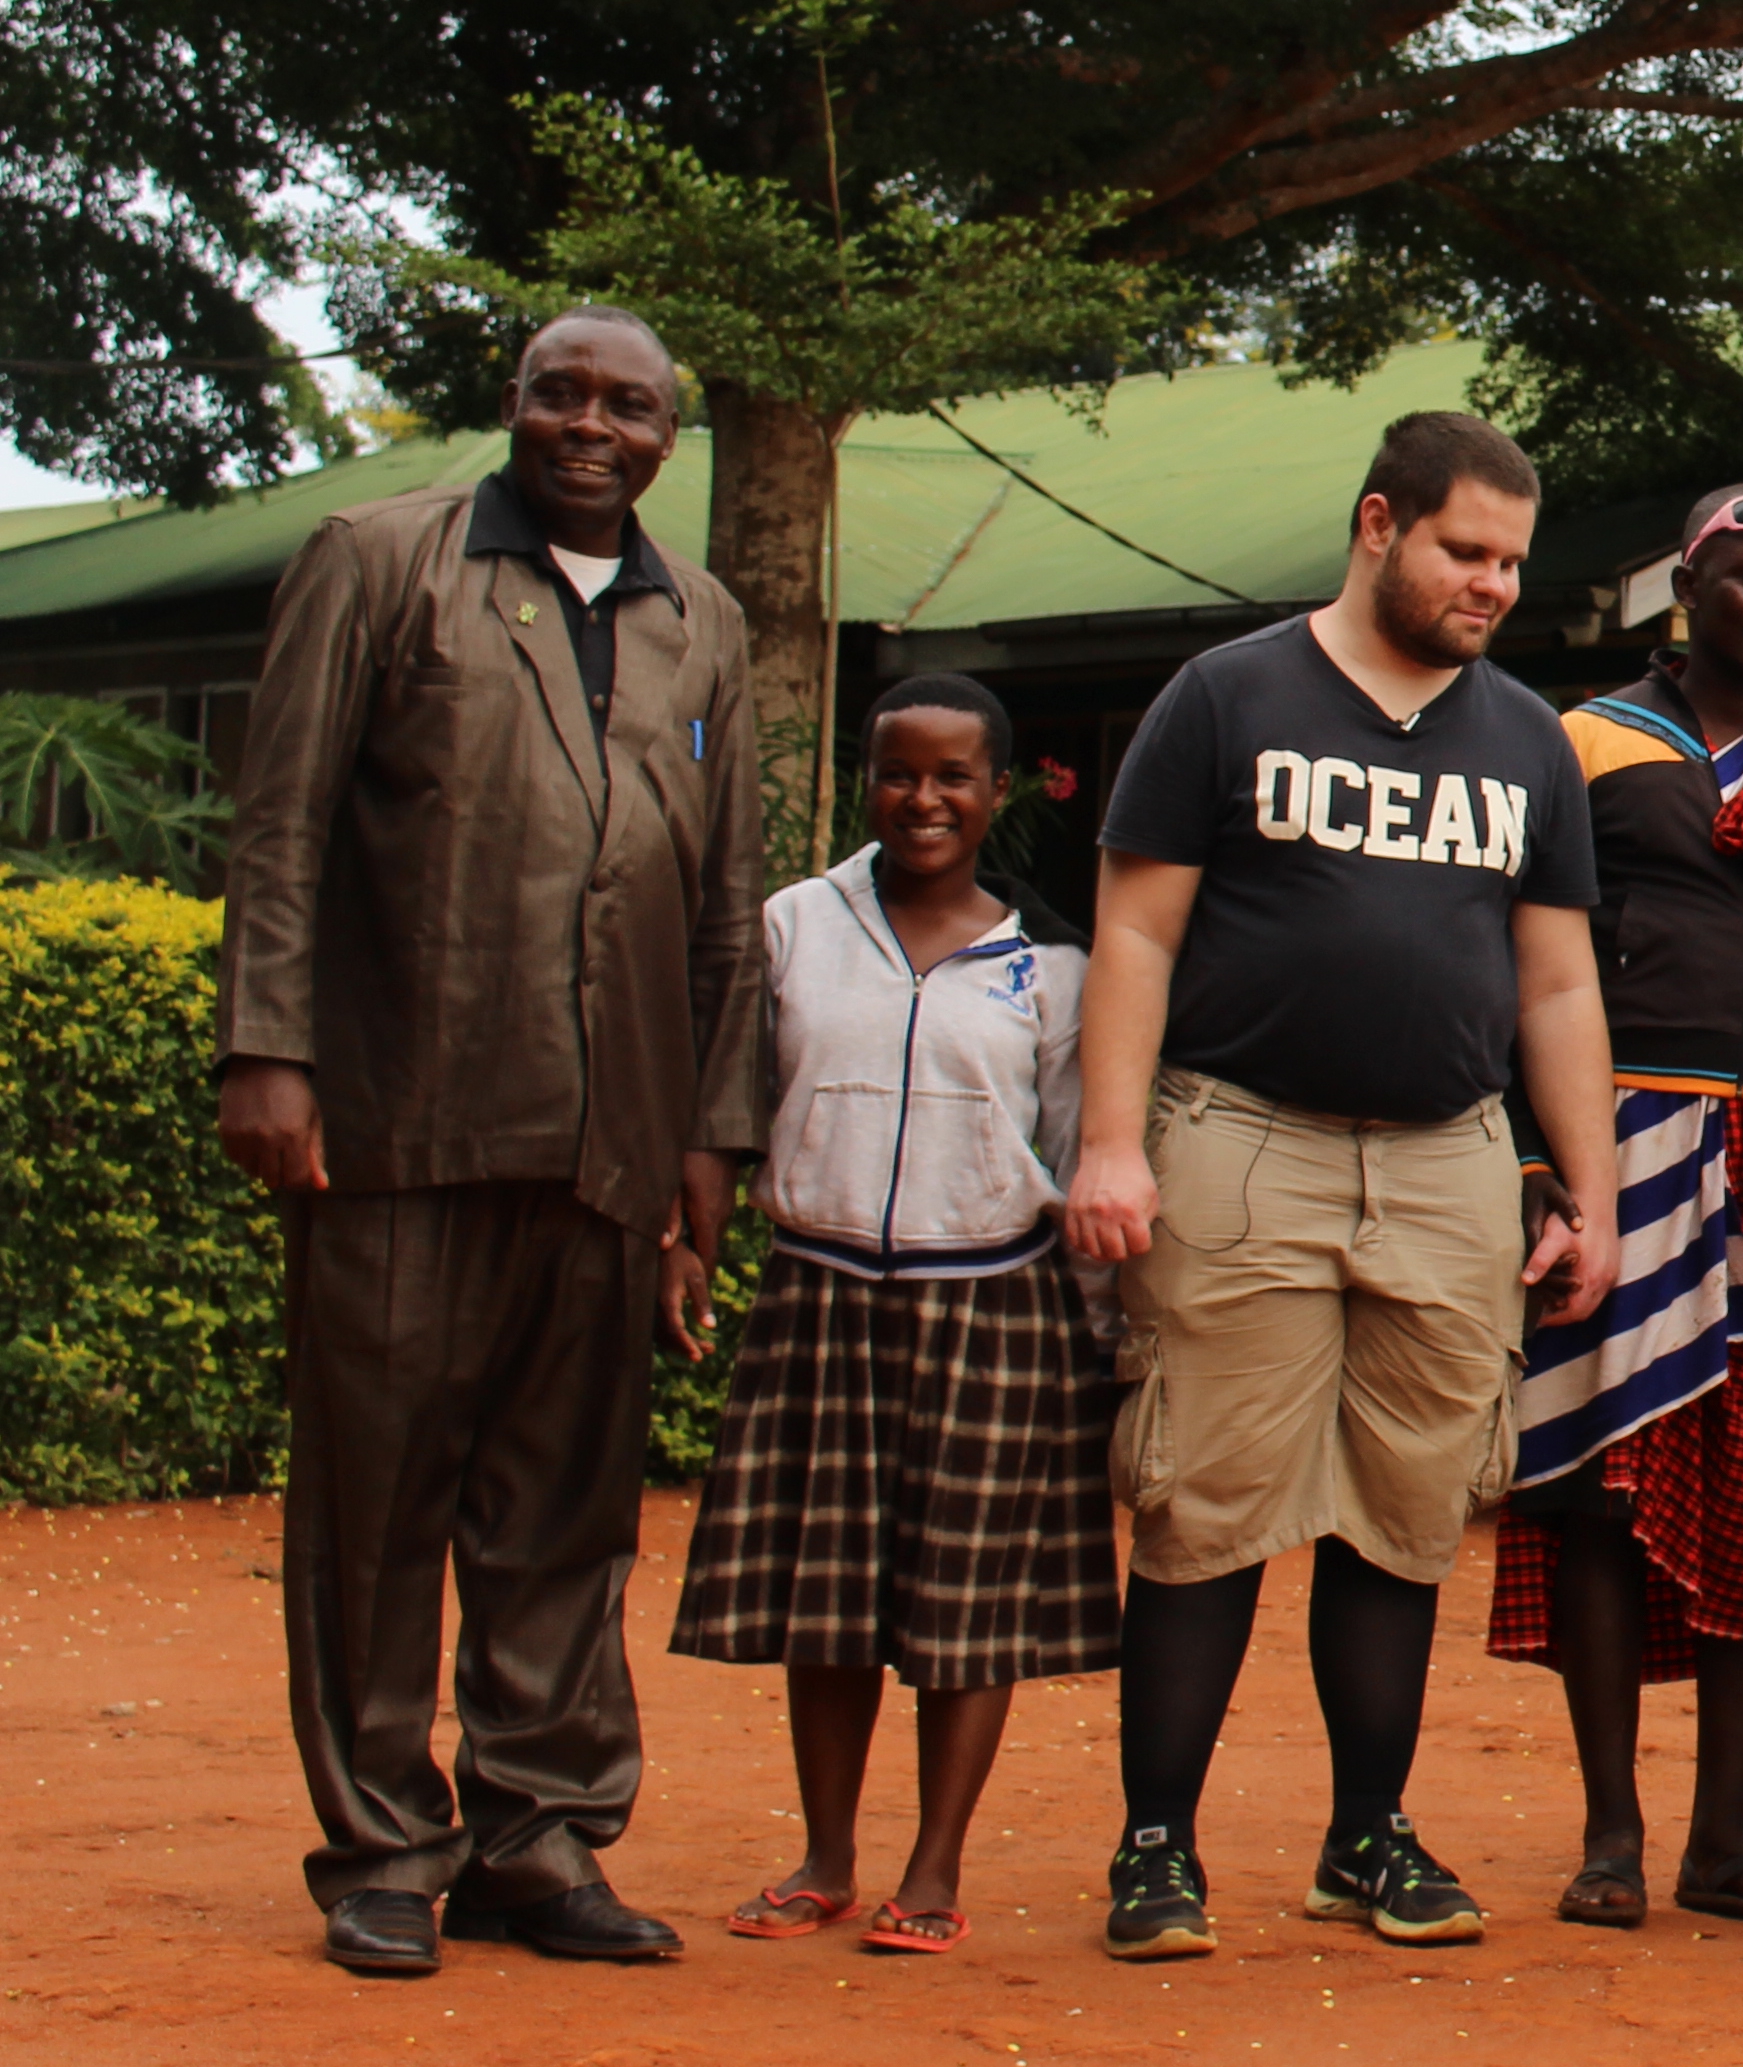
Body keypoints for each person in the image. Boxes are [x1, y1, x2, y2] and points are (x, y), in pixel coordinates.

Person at [219, 306, 768, 1977]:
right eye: (560, 394)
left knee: (570, 1510)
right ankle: (385, 1842)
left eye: (628, 405)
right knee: (378, 1502)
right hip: (405, 1117)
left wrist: (708, 1138)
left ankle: (537, 1835)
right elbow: (284, 823)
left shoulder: (706, 625)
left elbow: (723, 897)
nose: (589, 426)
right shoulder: (378, 562)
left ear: (671, 434)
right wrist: (269, 1053)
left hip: (613, 1142)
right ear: (512, 405)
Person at [1068, 408, 1619, 1964]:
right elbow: (1138, 939)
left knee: (1404, 1514)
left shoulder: (1524, 736)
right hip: (1243, 1140)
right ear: (1380, 525)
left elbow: (1559, 986)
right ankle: (1155, 1850)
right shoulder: (1227, 695)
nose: (1493, 585)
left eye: (1511, 562)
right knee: (1206, 1507)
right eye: (1465, 551)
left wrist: (1585, 1188)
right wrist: (1112, 1145)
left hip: (1451, 1158)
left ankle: (1363, 1839)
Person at [1482, 482, 1743, 1932]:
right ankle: (1612, 1833)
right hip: (1625, 1146)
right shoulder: (1586, 742)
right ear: (1690, 587)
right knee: (1608, 1487)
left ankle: (1723, 1836)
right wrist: (1542, 1164)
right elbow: (1531, 959)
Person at [670, 673, 1112, 1957]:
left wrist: (1106, 1331)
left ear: (999, 790)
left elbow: (1083, 1156)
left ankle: (934, 1866)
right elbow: (730, 1102)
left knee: (968, 1605)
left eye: (954, 777)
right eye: (898, 773)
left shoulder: (1052, 963)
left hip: (992, 1305)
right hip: (819, 1292)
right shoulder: (793, 927)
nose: (924, 799)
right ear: (865, 783)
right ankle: (823, 1856)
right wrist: (687, 1239)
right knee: (832, 1592)